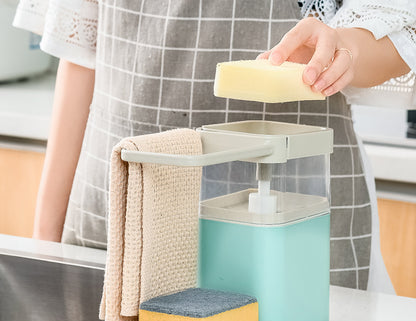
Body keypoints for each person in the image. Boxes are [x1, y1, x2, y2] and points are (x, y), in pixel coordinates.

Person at [13, 0, 415, 293]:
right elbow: (80, 53)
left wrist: (344, 47)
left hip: (288, 225)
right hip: (112, 219)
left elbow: (400, 29)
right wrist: (44, 246)